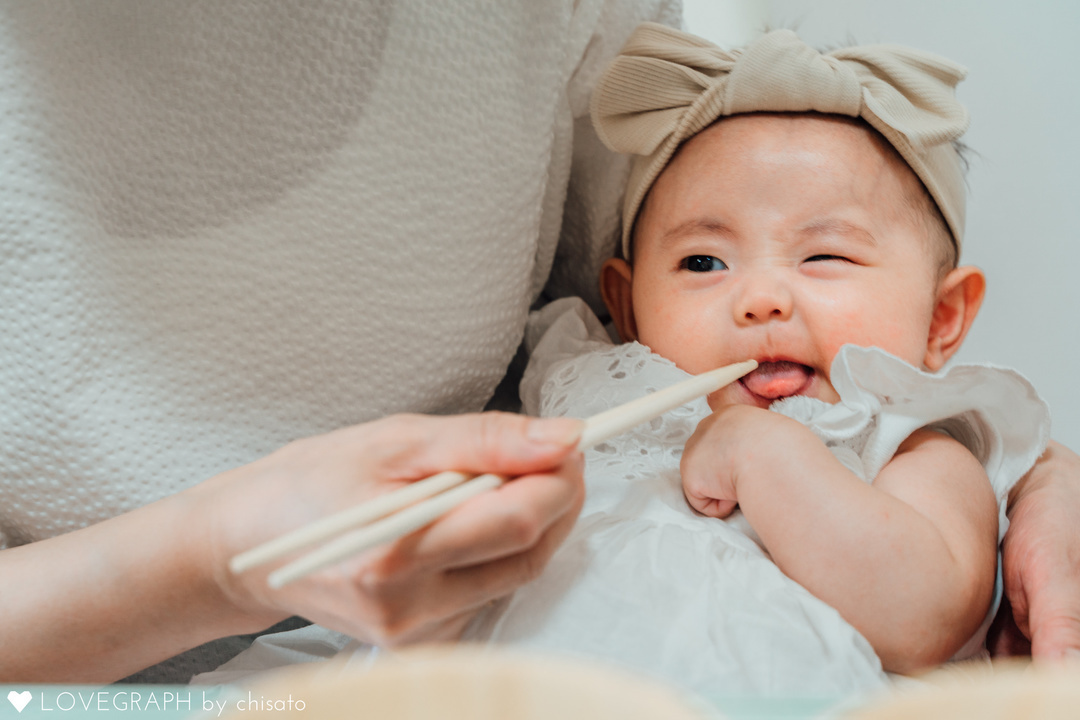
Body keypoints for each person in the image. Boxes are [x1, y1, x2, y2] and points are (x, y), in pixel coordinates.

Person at [1, 3, 1079, 686]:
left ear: (944, 318)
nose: (757, 300)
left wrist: (775, 458)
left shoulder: (902, 435)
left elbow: (924, 616)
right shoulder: (602, 375)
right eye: (703, 265)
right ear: (622, 296)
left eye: (826, 261)